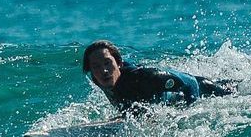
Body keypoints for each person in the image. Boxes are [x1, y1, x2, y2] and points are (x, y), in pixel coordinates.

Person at [82, 41, 234, 112]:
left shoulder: (143, 78)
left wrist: (189, 112)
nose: (104, 71)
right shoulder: (99, 80)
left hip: (206, 90)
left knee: (233, 91)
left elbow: (189, 82)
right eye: (96, 66)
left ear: (119, 63)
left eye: (107, 63)